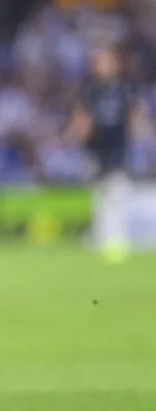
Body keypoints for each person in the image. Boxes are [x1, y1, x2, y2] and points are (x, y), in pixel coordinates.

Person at [65, 45, 152, 263]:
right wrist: (74, 137)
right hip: (97, 147)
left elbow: (136, 114)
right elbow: (83, 117)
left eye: (105, 61)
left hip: (119, 146)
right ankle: (104, 237)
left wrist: (143, 134)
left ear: (116, 63)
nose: (102, 66)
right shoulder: (92, 90)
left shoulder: (125, 88)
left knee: (117, 191)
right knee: (102, 192)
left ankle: (117, 239)